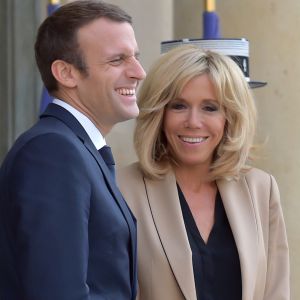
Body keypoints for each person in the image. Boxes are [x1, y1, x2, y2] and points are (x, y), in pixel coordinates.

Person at [117, 45, 290, 300]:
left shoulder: (261, 189)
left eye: (210, 108)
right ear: (159, 114)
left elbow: (276, 292)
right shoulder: (121, 189)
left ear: (230, 117)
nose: (193, 122)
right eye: (178, 106)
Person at [0, 1, 145, 299]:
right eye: (117, 60)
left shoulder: (76, 148)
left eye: (135, 57)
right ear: (66, 73)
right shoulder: (52, 152)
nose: (139, 72)